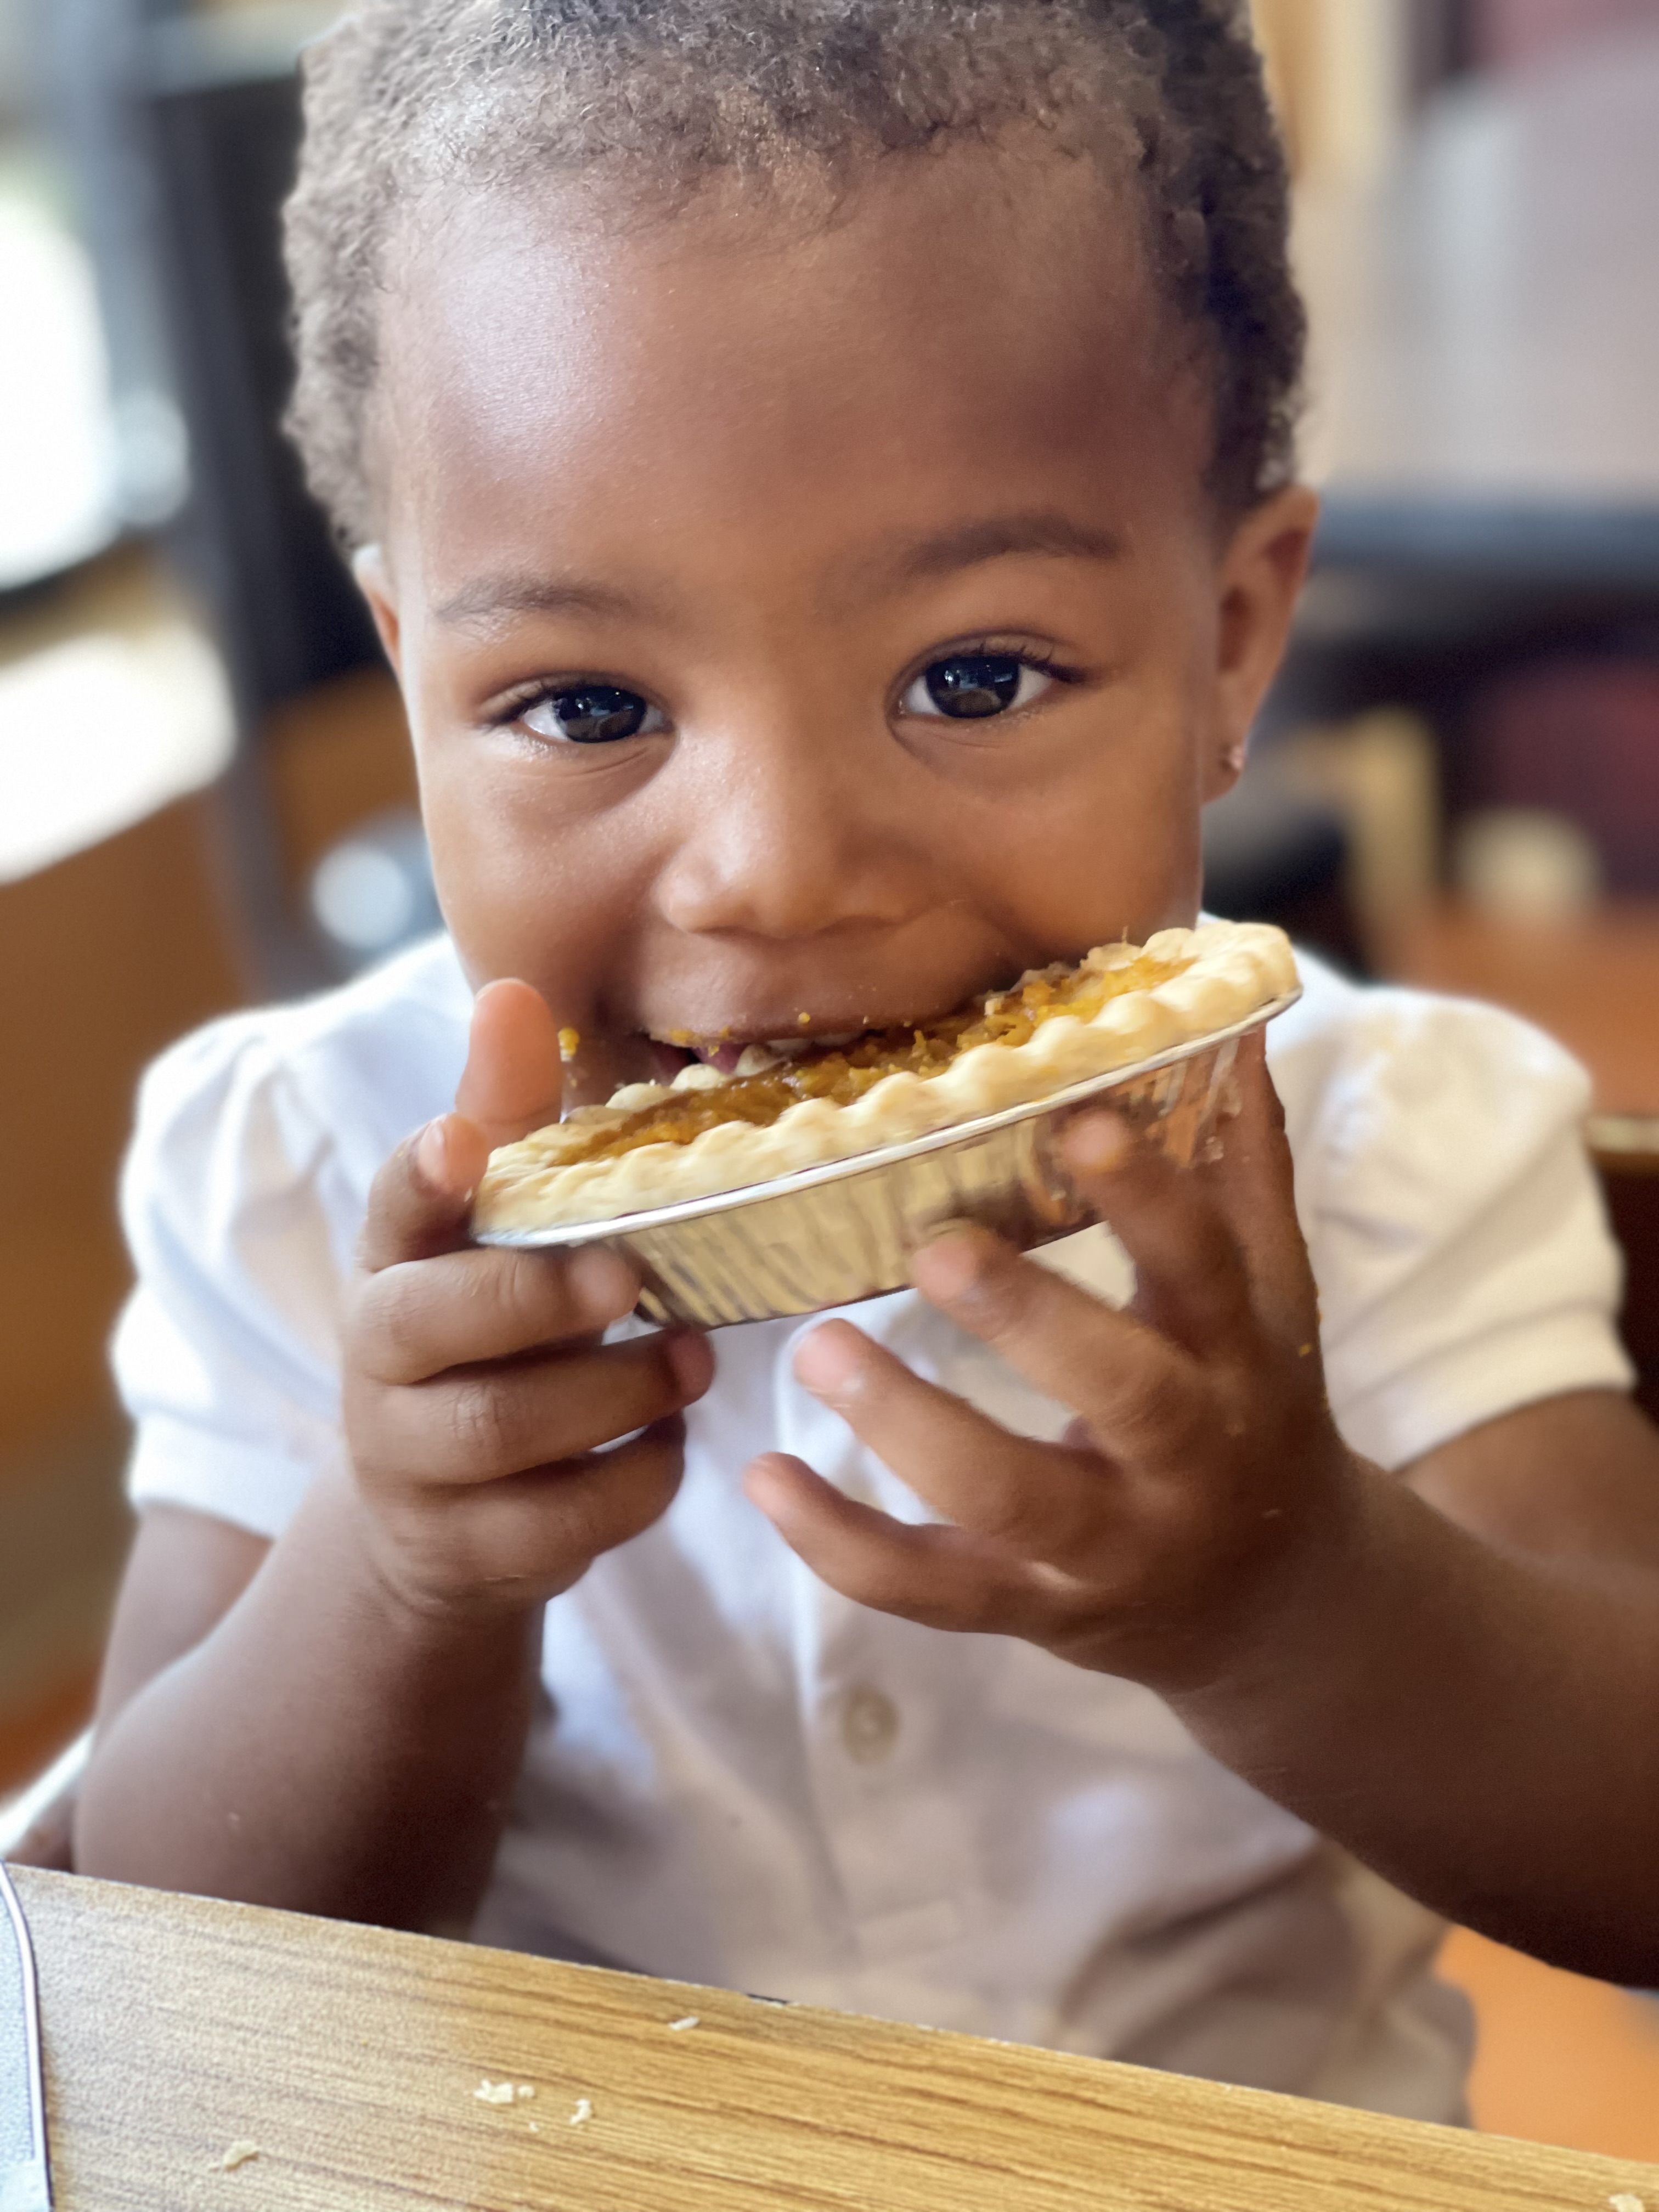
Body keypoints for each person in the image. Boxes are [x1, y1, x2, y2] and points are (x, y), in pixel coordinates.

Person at [75, 0, 1659, 2121]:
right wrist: (393, 1564)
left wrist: (1294, 1596)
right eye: (581, 706)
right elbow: (143, 1969)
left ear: (1232, 642)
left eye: (974, 674)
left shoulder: (1387, 1153)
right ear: (409, 672)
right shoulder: (295, 1187)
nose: (775, 871)